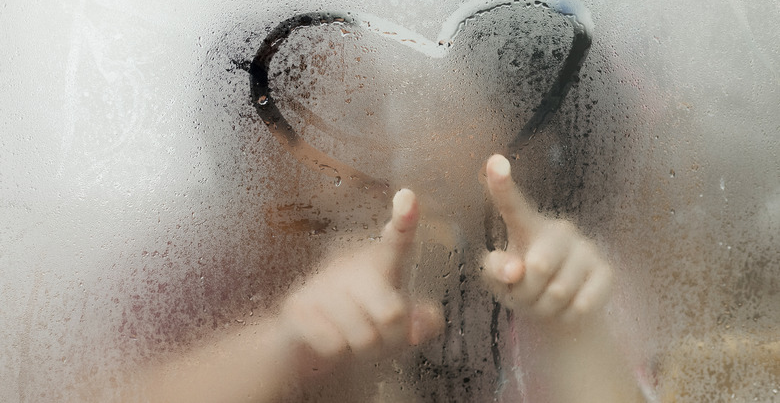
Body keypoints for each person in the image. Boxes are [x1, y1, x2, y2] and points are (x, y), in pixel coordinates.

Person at [131, 154, 644, 403]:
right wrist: (289, 336)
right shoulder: (183, 270)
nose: (356, 156)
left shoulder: (531, 285)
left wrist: (571, 324)